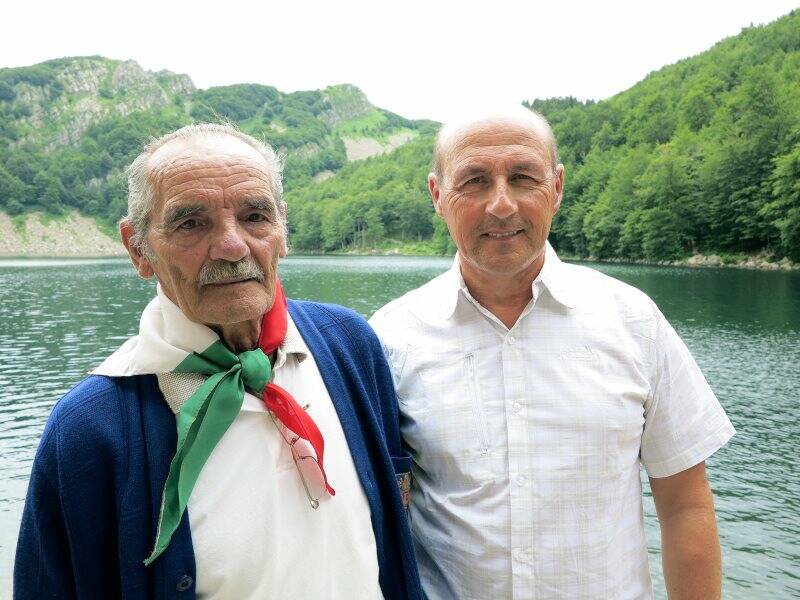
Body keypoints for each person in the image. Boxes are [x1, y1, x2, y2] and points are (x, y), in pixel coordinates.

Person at [15, 123, 422, 600]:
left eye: (255, 216)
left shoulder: (349, 346)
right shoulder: (90, 428)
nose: (232, 246)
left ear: (282, 231)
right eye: (191, 223)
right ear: (138, 249)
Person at [369, 107, 735, 599]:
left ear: (557, 188)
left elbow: (685, 504)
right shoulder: (391, 337)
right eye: (474, 181)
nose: (501, 205)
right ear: (438, 195)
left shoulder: (634, 322)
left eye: (523, 178)